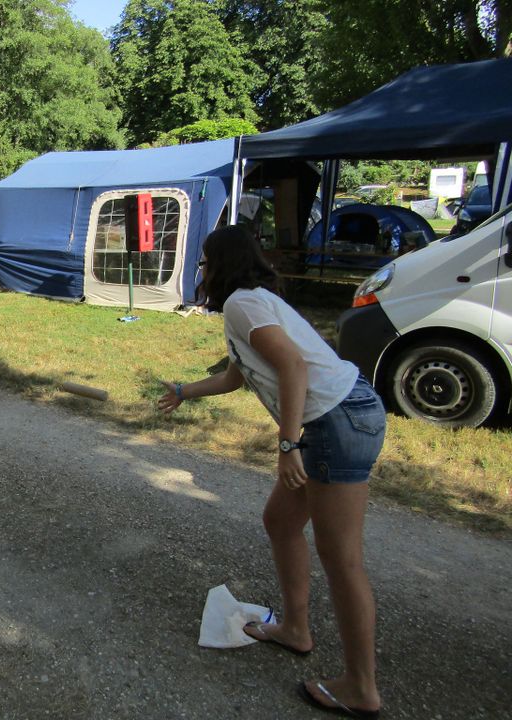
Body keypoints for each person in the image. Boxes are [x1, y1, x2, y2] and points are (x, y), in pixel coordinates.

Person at [158, 225, 386, 719]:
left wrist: (289, 445)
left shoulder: (244, 302)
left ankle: (361, 687)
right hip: (337, 417)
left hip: (334, 421)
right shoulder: (248, 305)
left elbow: (294, 368)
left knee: (341, 558)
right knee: (281, 523)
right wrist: (183, 391)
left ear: (221, 264)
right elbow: (235, 377)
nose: (200, 270)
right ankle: (295, 629)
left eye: (204, 261)